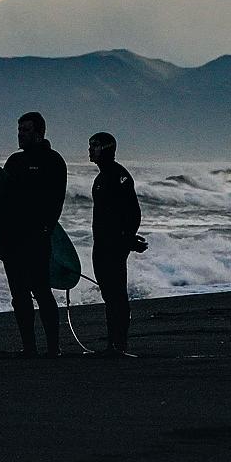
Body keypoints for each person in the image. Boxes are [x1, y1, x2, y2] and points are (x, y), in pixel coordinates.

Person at [0, 111, 65, 357]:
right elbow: (1, 202)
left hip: (36, 239)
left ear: (39, 133)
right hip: (12, 240)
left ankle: (53, 348)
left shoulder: (53, 161)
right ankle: (29, 347)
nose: (20, 135)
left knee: (42, 290)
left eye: (26, 130)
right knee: (19, 294)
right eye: (19, 130)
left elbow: (57, 200)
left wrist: (46, 228)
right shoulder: (14, 162)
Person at [88, 131, 147, 356]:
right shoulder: (101, 178)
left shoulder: (118, 175)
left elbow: (133, 211)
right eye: (90, 145)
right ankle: (113, 344)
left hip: (114, 246)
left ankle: (119, 345)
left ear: (106, 149)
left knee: (116, 295)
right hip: (101, 244)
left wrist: (127, 238)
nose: (90, 150)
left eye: (94, 146)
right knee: (109, 294)